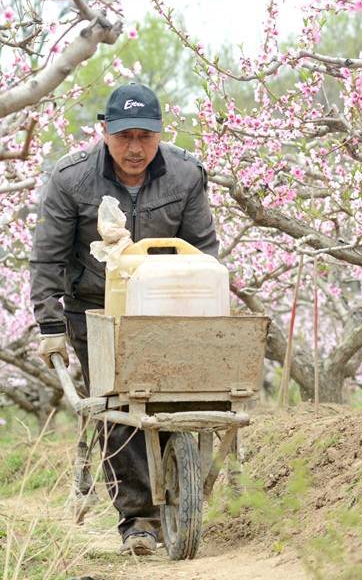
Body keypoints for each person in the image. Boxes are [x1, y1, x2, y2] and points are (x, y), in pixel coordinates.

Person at [29, 83, 219, 555]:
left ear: (160, 134)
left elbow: (204, 248)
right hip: (95, 308)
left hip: (167, 302)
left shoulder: (185, 174)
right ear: (105, 132)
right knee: (120, 407)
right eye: (124, 136)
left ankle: (180, 486)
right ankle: (137, 518)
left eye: (146, 137)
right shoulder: (71, 179)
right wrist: (50, 326)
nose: (135, 149)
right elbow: (48, 258)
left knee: (176, 395)